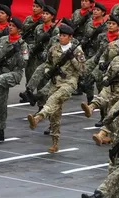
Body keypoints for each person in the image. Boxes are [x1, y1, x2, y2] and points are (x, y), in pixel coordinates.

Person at [27, 24, 86, 153]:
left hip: (69, 83)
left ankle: (38, 117)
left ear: (70, 37)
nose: (61, 37)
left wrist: (72, 59)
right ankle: (55, 142)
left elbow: (82, 70)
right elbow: (48, 63)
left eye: (64, 36)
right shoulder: (54, 48)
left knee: (53, 99)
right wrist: (49, 71)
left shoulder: (77, 51)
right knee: (55, 113)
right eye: (60, 35)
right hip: (55, 82)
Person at [0, 17, 28, 141]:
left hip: (14, 74)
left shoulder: (23, 45)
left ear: (18, 29)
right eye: (10, 25)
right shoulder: (2, 40)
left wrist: (18, 52)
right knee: (0, 100)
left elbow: (24, 64)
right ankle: (0, 132)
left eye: (13, 26)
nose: (10, 27)